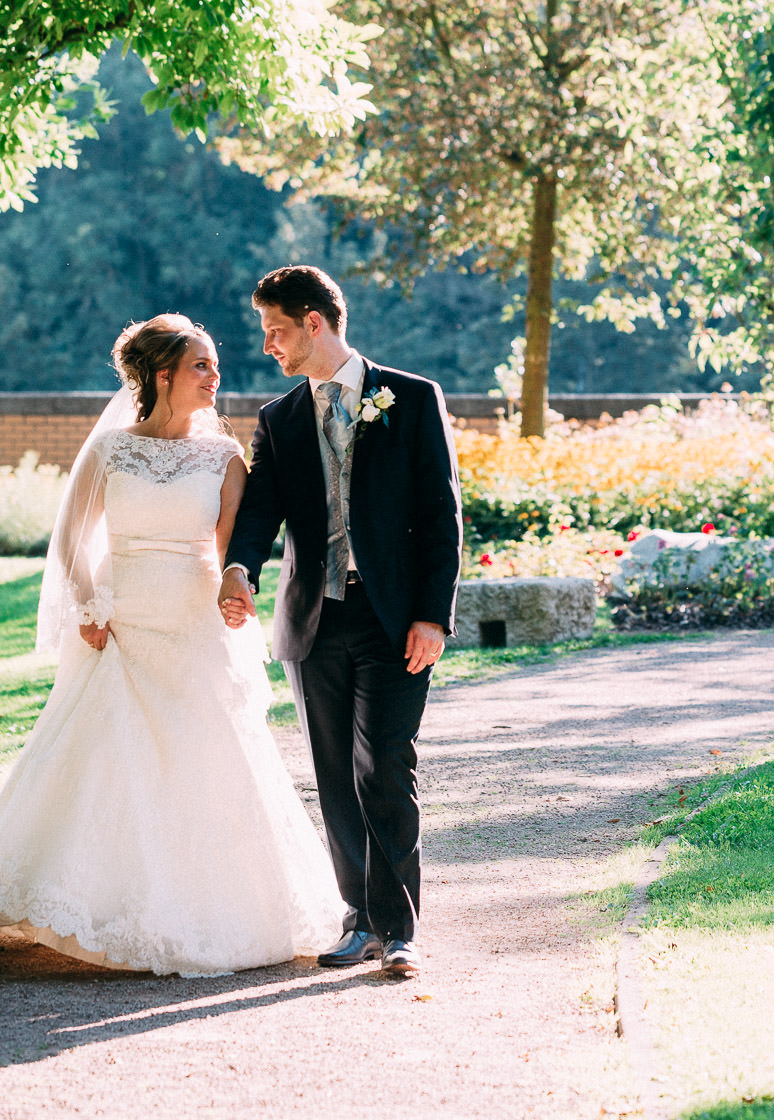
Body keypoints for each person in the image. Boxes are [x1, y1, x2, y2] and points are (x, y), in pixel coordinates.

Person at [0, 315, 344, 976]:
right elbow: (72, 538)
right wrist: (90, 604)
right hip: (121, 622)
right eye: (201, 364)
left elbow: (231, 551)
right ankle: (87, 901)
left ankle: (200, 906)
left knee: (205, 759)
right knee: (104, 759)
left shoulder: (226, 458)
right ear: (163, 374)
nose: (215, 375)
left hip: (193, 625)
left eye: (214, 364)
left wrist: (236, 592)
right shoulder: (110, 450)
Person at [218, 266, 462, 978]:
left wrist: (432, 617)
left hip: (395, 621)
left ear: (314, 323)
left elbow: (442, 515)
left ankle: (400, 929)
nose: (268, 344)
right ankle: (359, 921)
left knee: (385, 765)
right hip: (314, 620)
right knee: (334, 776)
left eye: (276, 330)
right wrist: (240, 570)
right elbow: (260, 510)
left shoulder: (412, 398)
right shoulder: (279, 419)